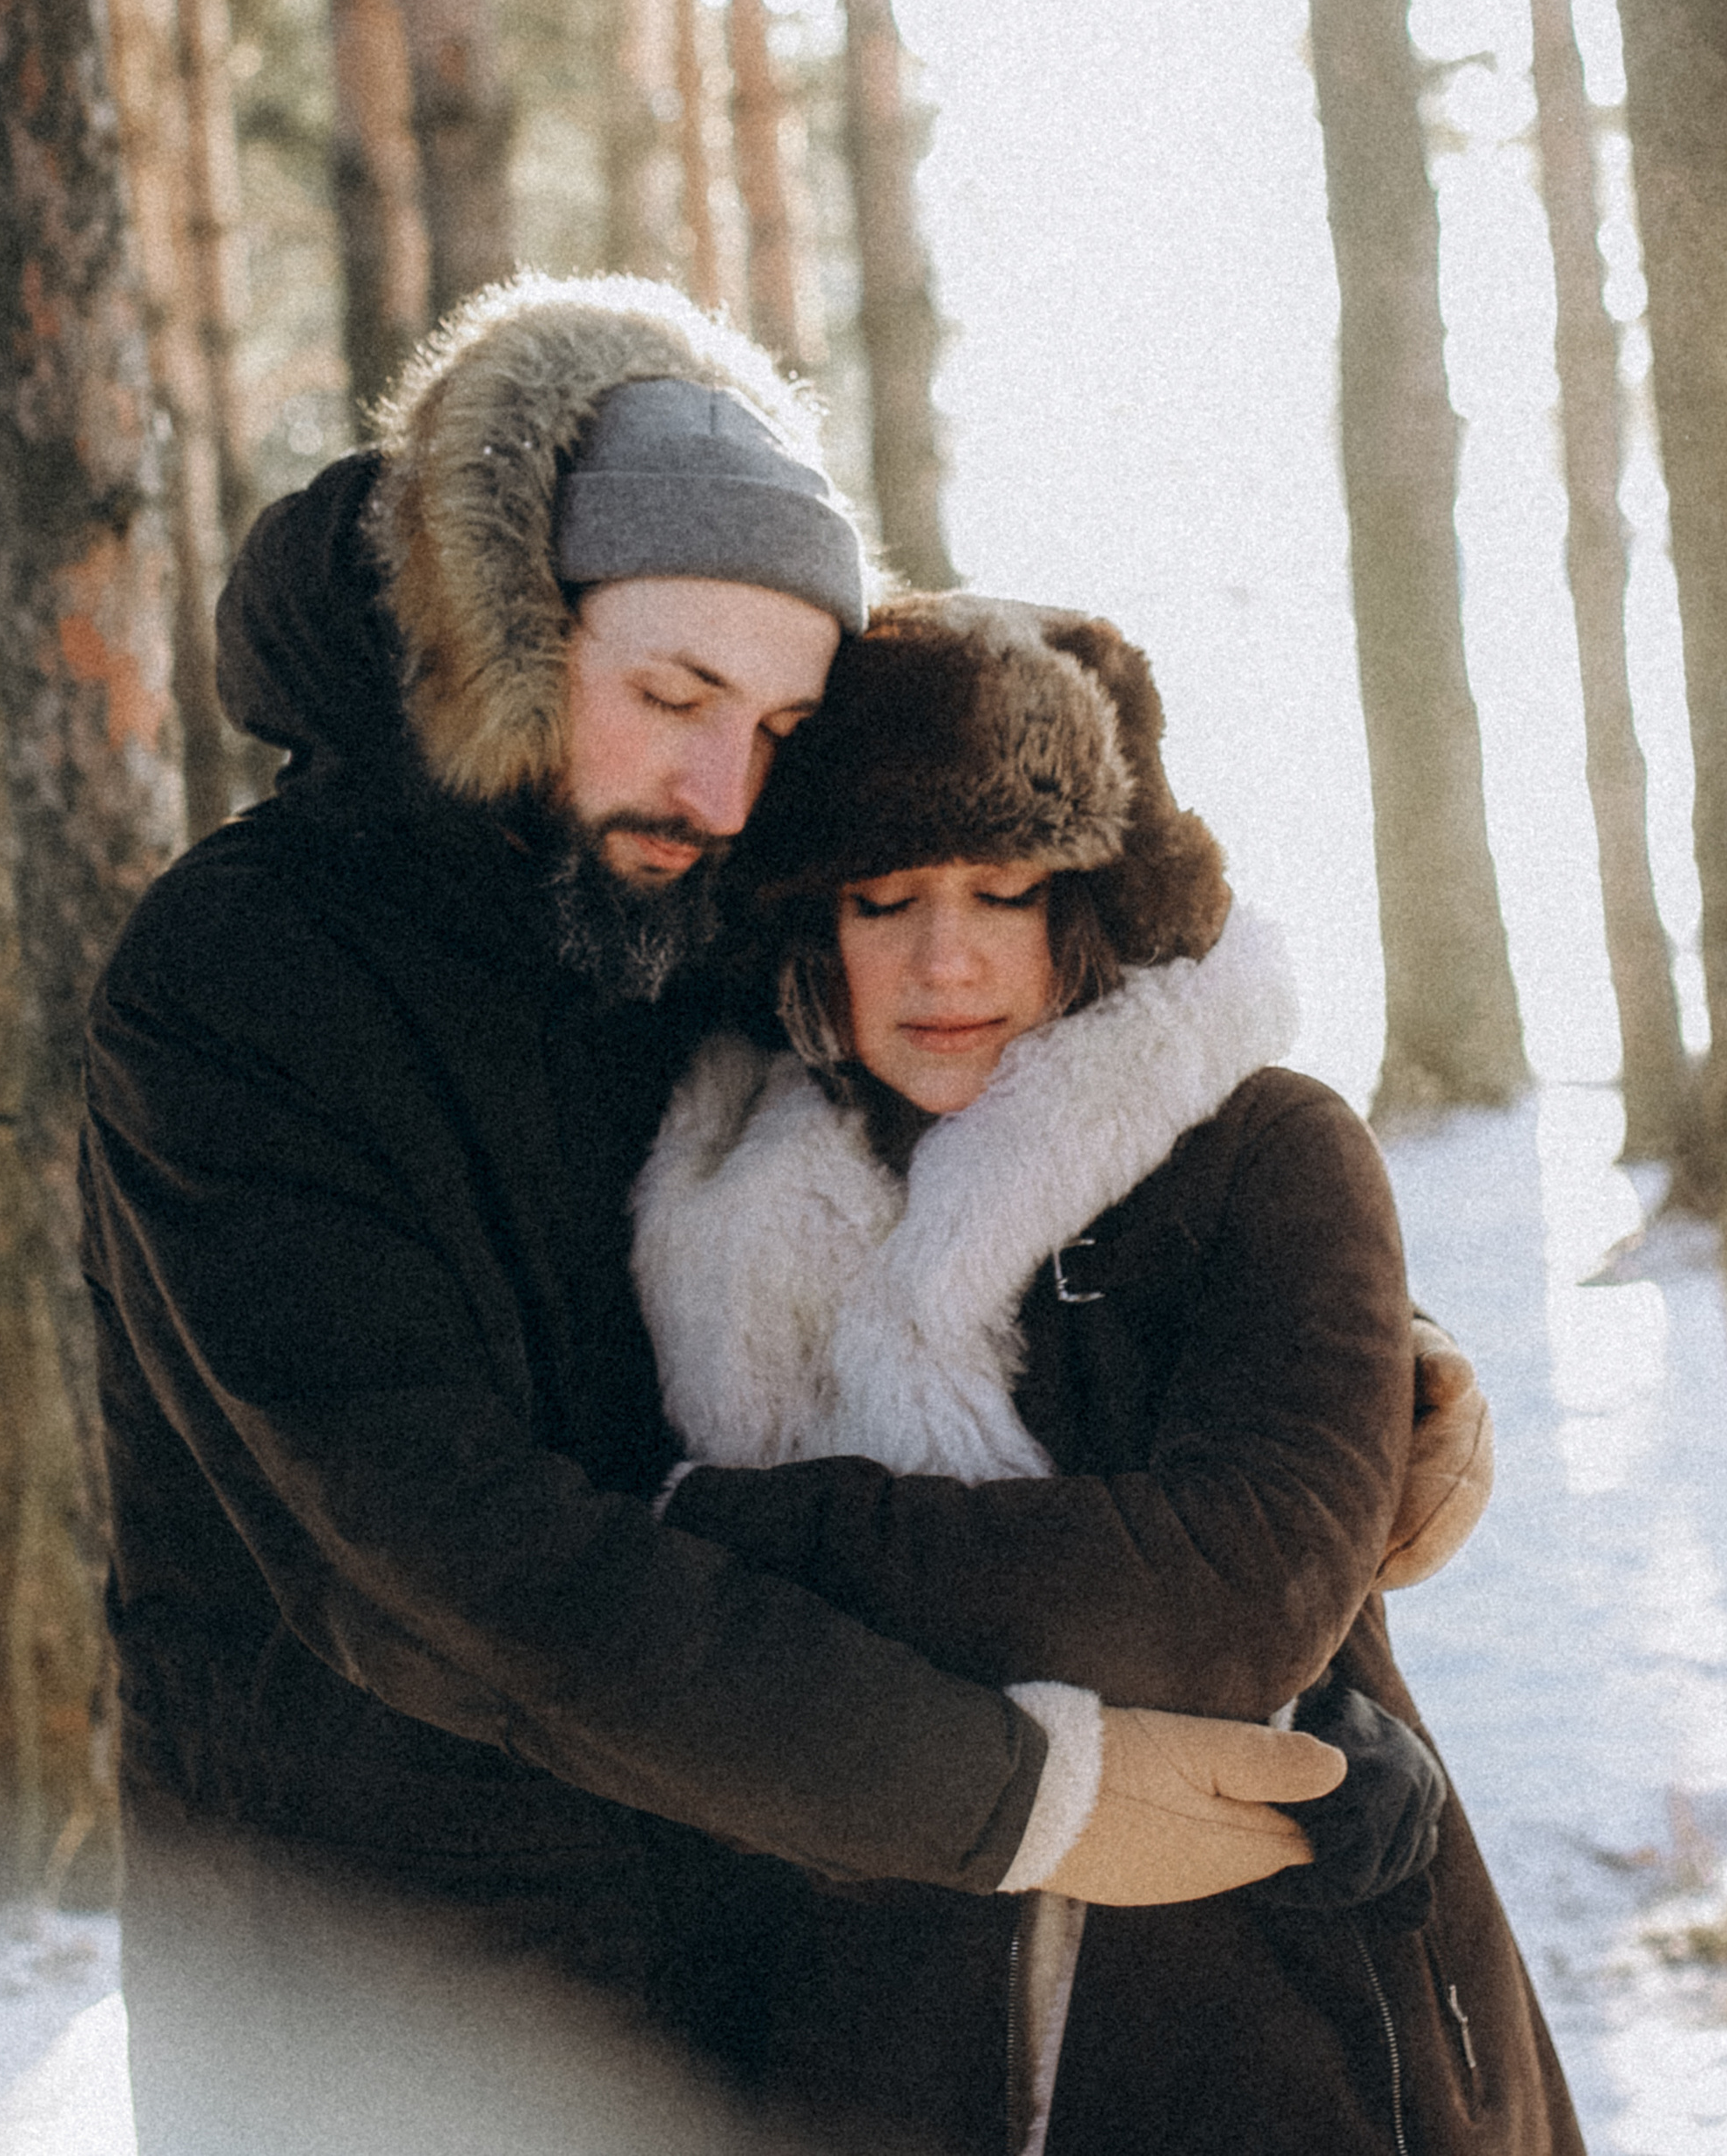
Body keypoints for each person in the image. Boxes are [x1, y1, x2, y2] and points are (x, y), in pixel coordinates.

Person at [82, 275, 1493, 2153]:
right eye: (673, 696)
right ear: (512, 633)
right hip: (383, 1983)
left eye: (777, 721)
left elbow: (950, 1205)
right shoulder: (241, 977)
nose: (721, 783)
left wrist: (1341, 1374)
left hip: (744, 1923)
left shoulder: (674, 901)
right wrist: (1019, 1791)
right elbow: (460, 1563)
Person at [635, 591, 1576, 2156]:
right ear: (814, 925)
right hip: (877, 2042)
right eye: (882, 900)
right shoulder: (720, 1214)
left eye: (1004, 890)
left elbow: (1232, 1598)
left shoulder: (1265, 1151)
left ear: (1092, 903)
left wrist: (748, 1541)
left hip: (1292, 2025)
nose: (945, 958)